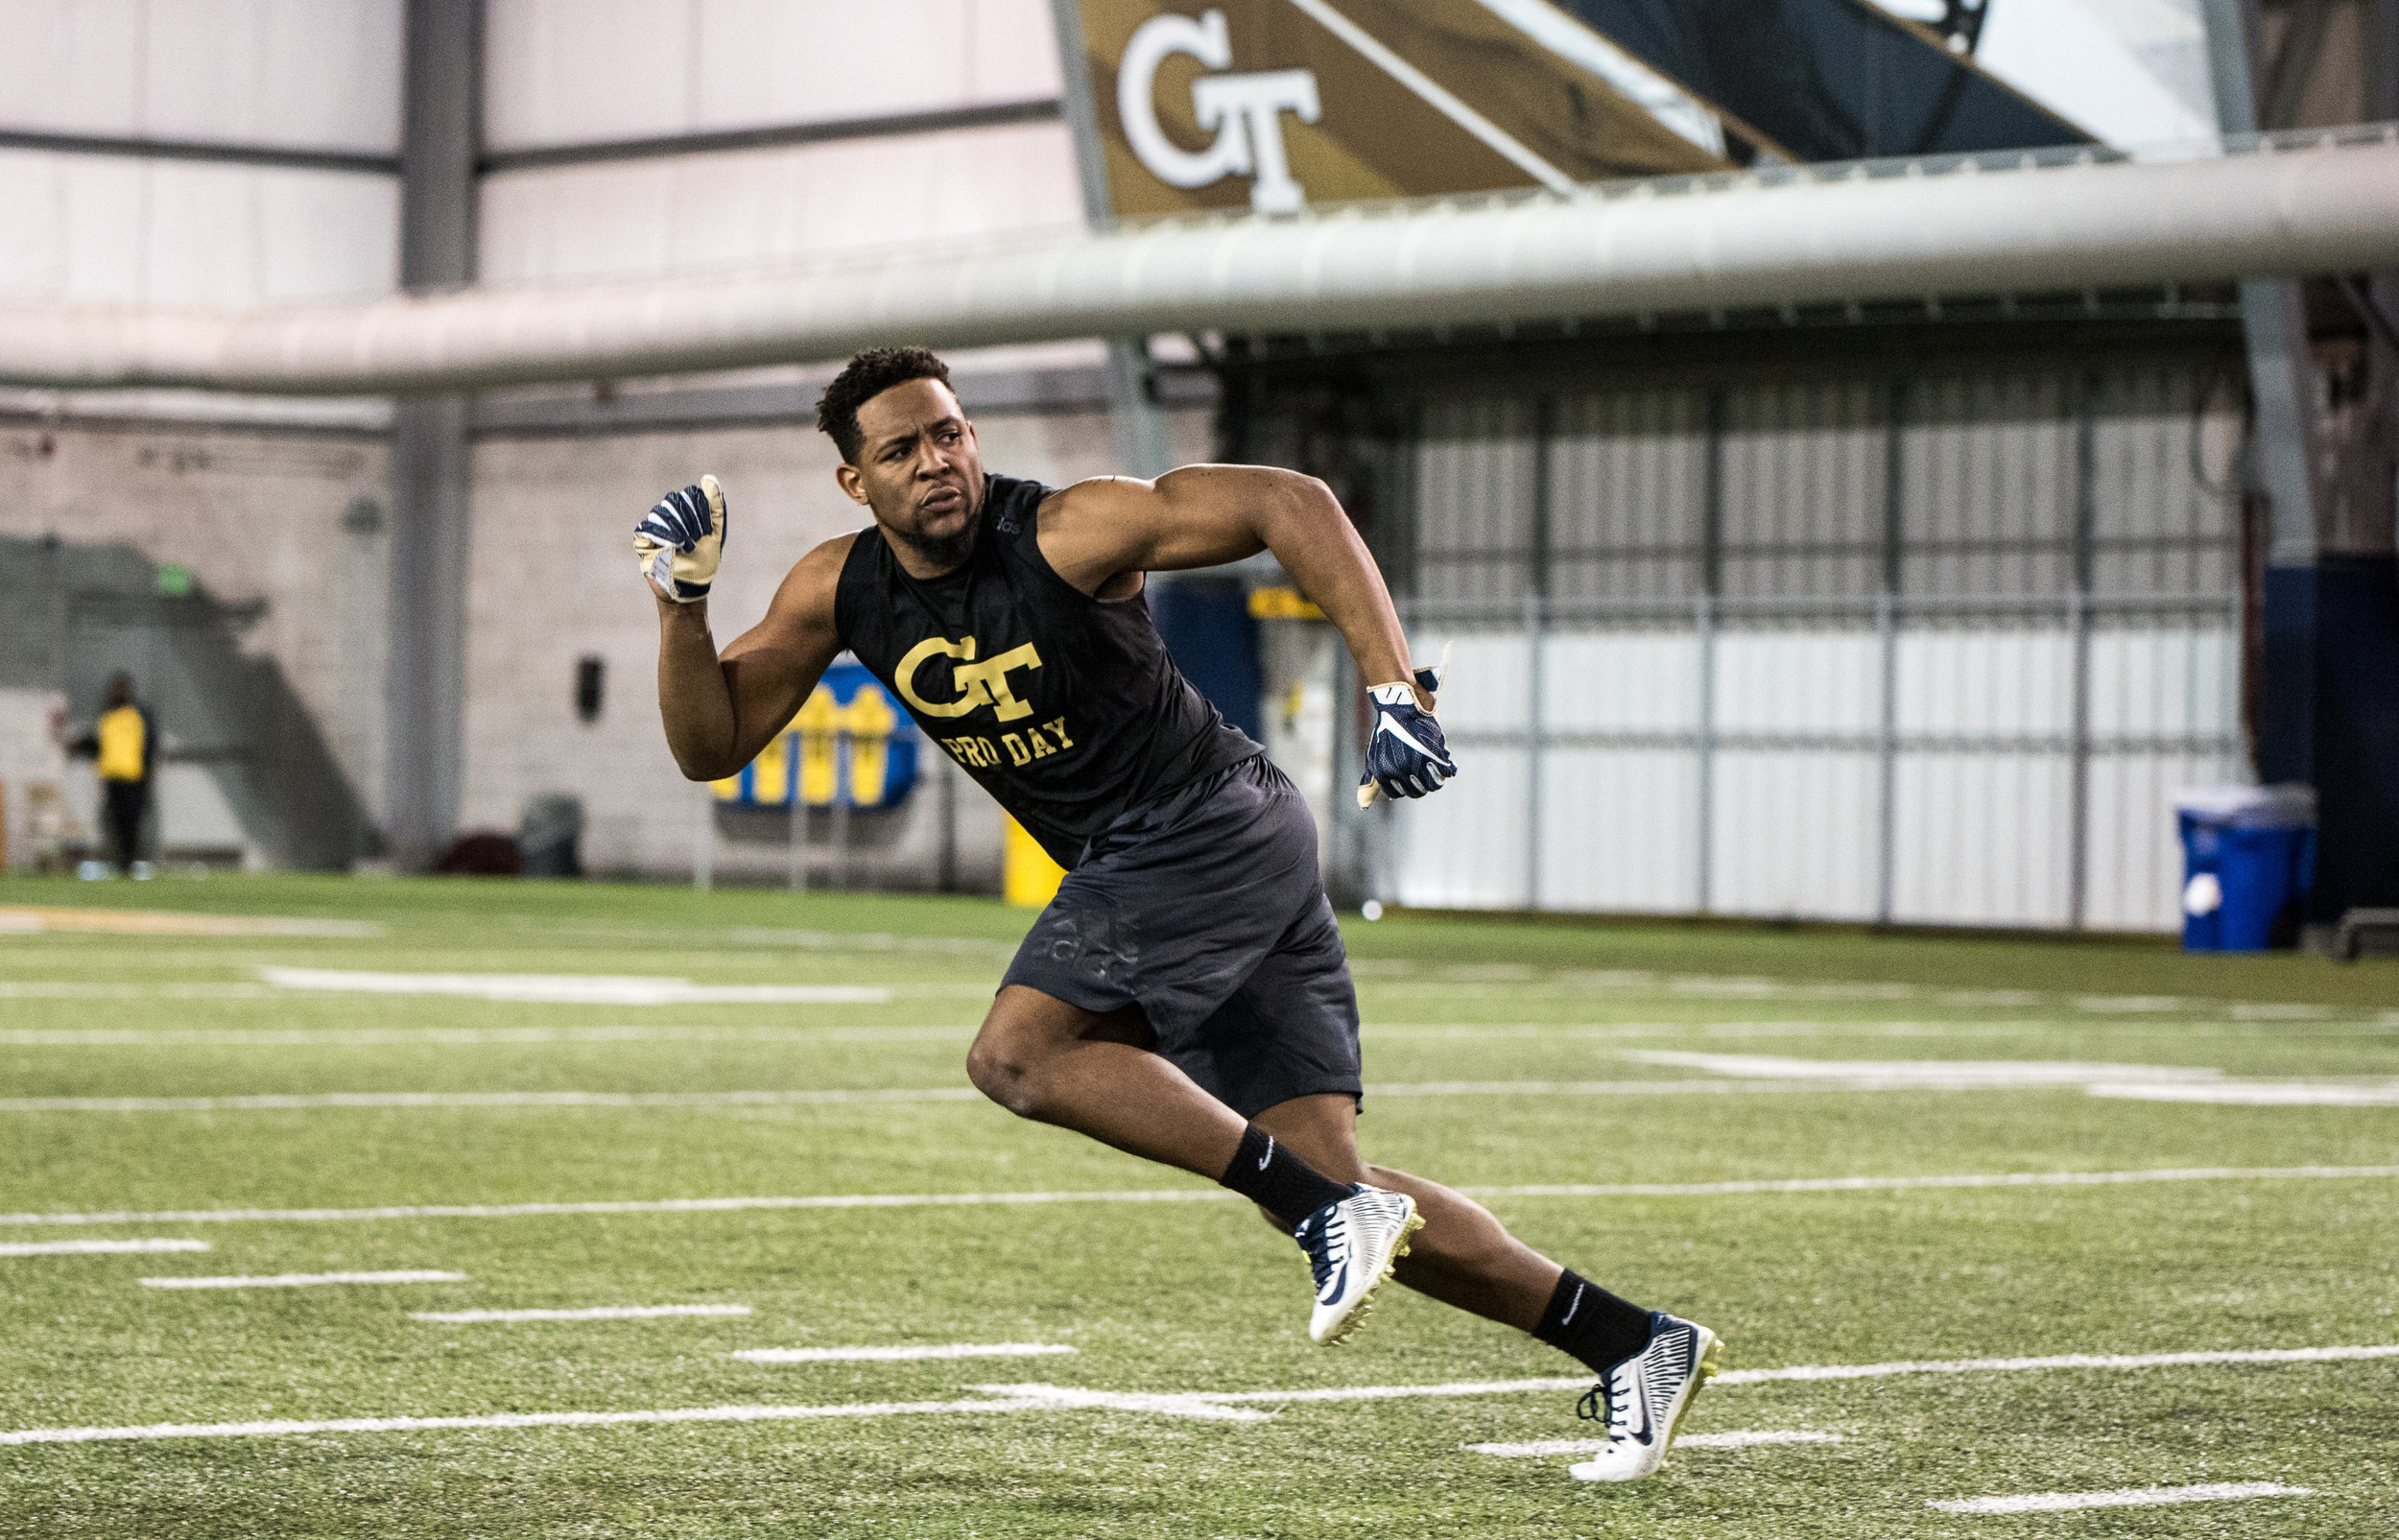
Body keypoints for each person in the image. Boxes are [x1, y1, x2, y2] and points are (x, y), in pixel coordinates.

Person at [638, 347, 1720, 1481]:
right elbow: (711, 744)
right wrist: (680, 605)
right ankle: (1632, 1341)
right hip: (1180, 859)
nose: (937, 462)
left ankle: (1323, 1219)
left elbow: (1286, 502)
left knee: (1019, 1057)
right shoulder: (837, 586)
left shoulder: (1067, 530)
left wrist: (1392, 688)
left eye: (949, 433)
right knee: (1329, 1179)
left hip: (1207, 825)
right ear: (857, 483)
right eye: (901, 450)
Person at [70, 673, 156, 879]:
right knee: (115, 822)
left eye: (122, 689)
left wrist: (150, 773)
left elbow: (150, 745)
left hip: (134, 777)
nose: (118, 693)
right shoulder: (107, 716)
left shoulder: (140, 715)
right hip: (111, 777)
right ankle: (119, 862)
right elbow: (99, 744)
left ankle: (132, 862)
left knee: (132, 821)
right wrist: (78, 745)